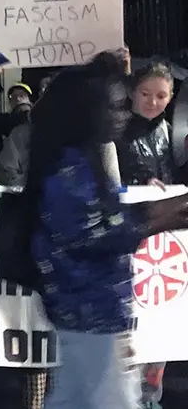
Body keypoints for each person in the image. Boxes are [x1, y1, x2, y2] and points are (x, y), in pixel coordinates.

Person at [29, 54, 188, 409]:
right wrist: (161, 220)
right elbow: (94, 235)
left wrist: (169, 209)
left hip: (93, 313)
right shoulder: (69, 171)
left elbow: (110, 218)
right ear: (89, 112)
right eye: (116, 107)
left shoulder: (83, 162)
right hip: (89, 312)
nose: (125, 115)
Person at [115, 63, 177, 408]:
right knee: (131, 334)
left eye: (161, 95)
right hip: (128, 239)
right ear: (132, 92)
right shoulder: (116, 128)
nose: (153, 101)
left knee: (161, 326)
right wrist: (140, 185)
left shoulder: (171, 132)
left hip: (164, 245)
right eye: (146, 93)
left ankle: (152, 397)